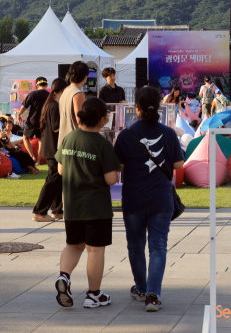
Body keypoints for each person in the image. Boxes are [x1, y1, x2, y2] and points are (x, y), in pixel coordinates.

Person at [114, 87, 184, 312]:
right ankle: (153, 296)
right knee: (158, 246)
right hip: (161, 198)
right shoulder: (169, 133)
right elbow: (178, 165)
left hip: (134, 198)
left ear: (136, 109)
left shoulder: (125, 134)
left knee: (135, 246)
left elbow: (119, 168)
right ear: (160, 107)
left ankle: (142, 288)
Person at [54, 97, 121, 309]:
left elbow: (61, 170)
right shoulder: (103, 144)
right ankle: (93, 295)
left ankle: (64, 277)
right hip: (96, 207)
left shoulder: (69, 138)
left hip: (72, 205)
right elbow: (111, 179)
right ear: (102, 119)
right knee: (95, 250)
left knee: (73, 245)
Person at [32, 78, 67, 222]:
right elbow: (56, 127)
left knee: (58, 178)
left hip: (50, 146)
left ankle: (57, 209)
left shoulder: (50, 104)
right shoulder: (54, 105)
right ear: (63, 90)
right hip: (53, 147)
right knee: (53, 178)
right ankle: (39, 211)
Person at [18, 76, 49, 164]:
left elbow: (24, 106)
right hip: (44, 121)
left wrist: (19, 113)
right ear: (46, 85)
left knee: (25, 138)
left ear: (37, 85)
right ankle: (38, 161)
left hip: (32, 121)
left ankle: (32, 157)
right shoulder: (49, 95)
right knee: (41, 141)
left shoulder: (32, 94)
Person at [58, 62, 89, 148]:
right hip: (75, 143)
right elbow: (80, 120)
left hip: (63, 141)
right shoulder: (78, 93)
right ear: (85, 77)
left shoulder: (65, 91)